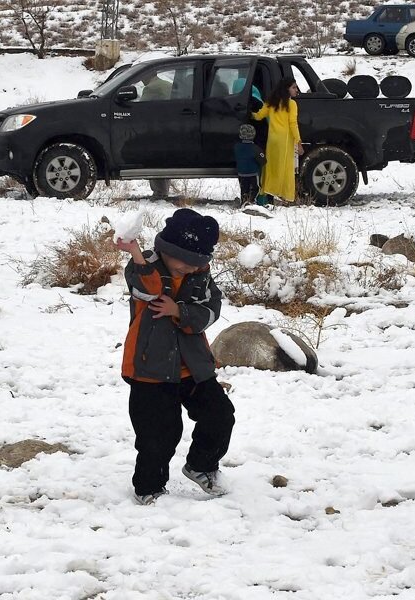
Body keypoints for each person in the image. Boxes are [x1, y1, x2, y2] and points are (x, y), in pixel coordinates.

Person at [116, 208, 236, 506]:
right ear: (165, 249)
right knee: (158, 433)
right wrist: (134, 252)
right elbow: (147, 288)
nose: (187, 267)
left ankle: (201, 465)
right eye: (182, 260)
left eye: (195, 262)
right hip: (150, 368)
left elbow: (211, 311)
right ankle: (149, 487)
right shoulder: (145, 265)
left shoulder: (200, 274)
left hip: (193, 366)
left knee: (220, 415)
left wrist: (179, 311)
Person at [251, 77, 303, 204]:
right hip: (284, 140)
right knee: (284, 167)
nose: (296, 90)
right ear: (287, 89)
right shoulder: (291, 104)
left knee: (271, 167)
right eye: (294, 87)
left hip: (272, 139)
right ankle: (283, 193)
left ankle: (268, 190)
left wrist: (248, 113)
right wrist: (298, 141)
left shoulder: (271, 102)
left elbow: (259, 116)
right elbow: (292, 124)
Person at [234, 123, 266, 208]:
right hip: (253, 173)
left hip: (241, 173)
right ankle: (252, 201)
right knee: (255, 188)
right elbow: (263, 161)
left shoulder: (237, 147)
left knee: (244, 188)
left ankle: (244, 201)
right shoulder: (255, 148)